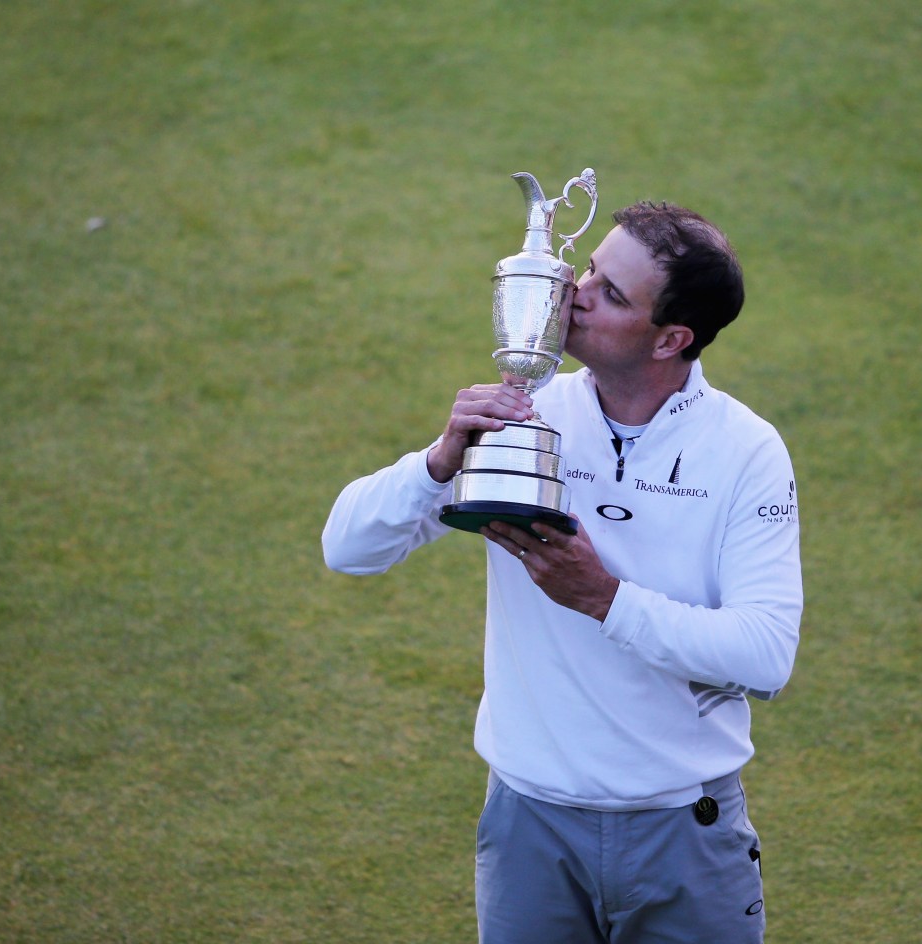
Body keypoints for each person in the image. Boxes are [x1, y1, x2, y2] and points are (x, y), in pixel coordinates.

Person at [322, 200, 803, 943]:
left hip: (683, 830)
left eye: (611, 293)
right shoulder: (525, 413)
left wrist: (606, 600)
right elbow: (346, 548)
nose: (573, 291)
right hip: (528, 830)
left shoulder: (746, 451)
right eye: (590, 269)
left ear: (672, 338)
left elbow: (765, 655)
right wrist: (435, 464)